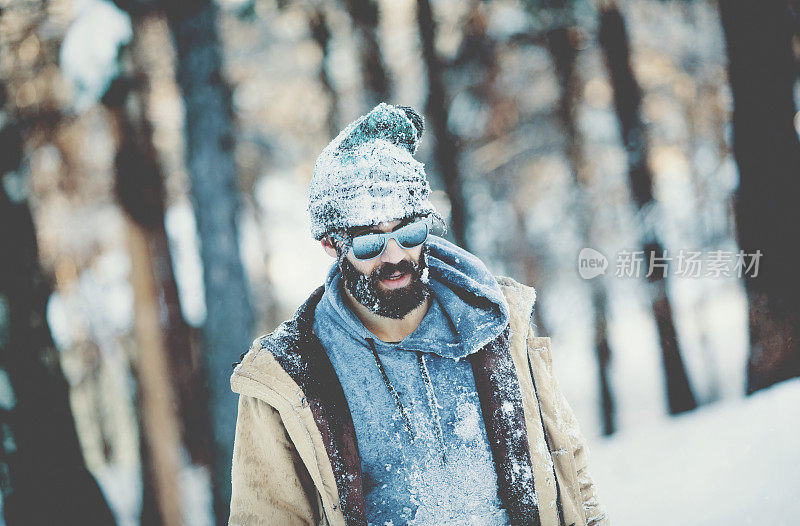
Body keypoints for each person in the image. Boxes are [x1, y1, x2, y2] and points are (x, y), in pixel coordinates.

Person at [228, 103, 608, 526]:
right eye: (369, 242)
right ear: (331, 246)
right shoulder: (286, 377)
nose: (395, 257)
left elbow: (571, 476)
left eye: (408, 232)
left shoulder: (497, 323)